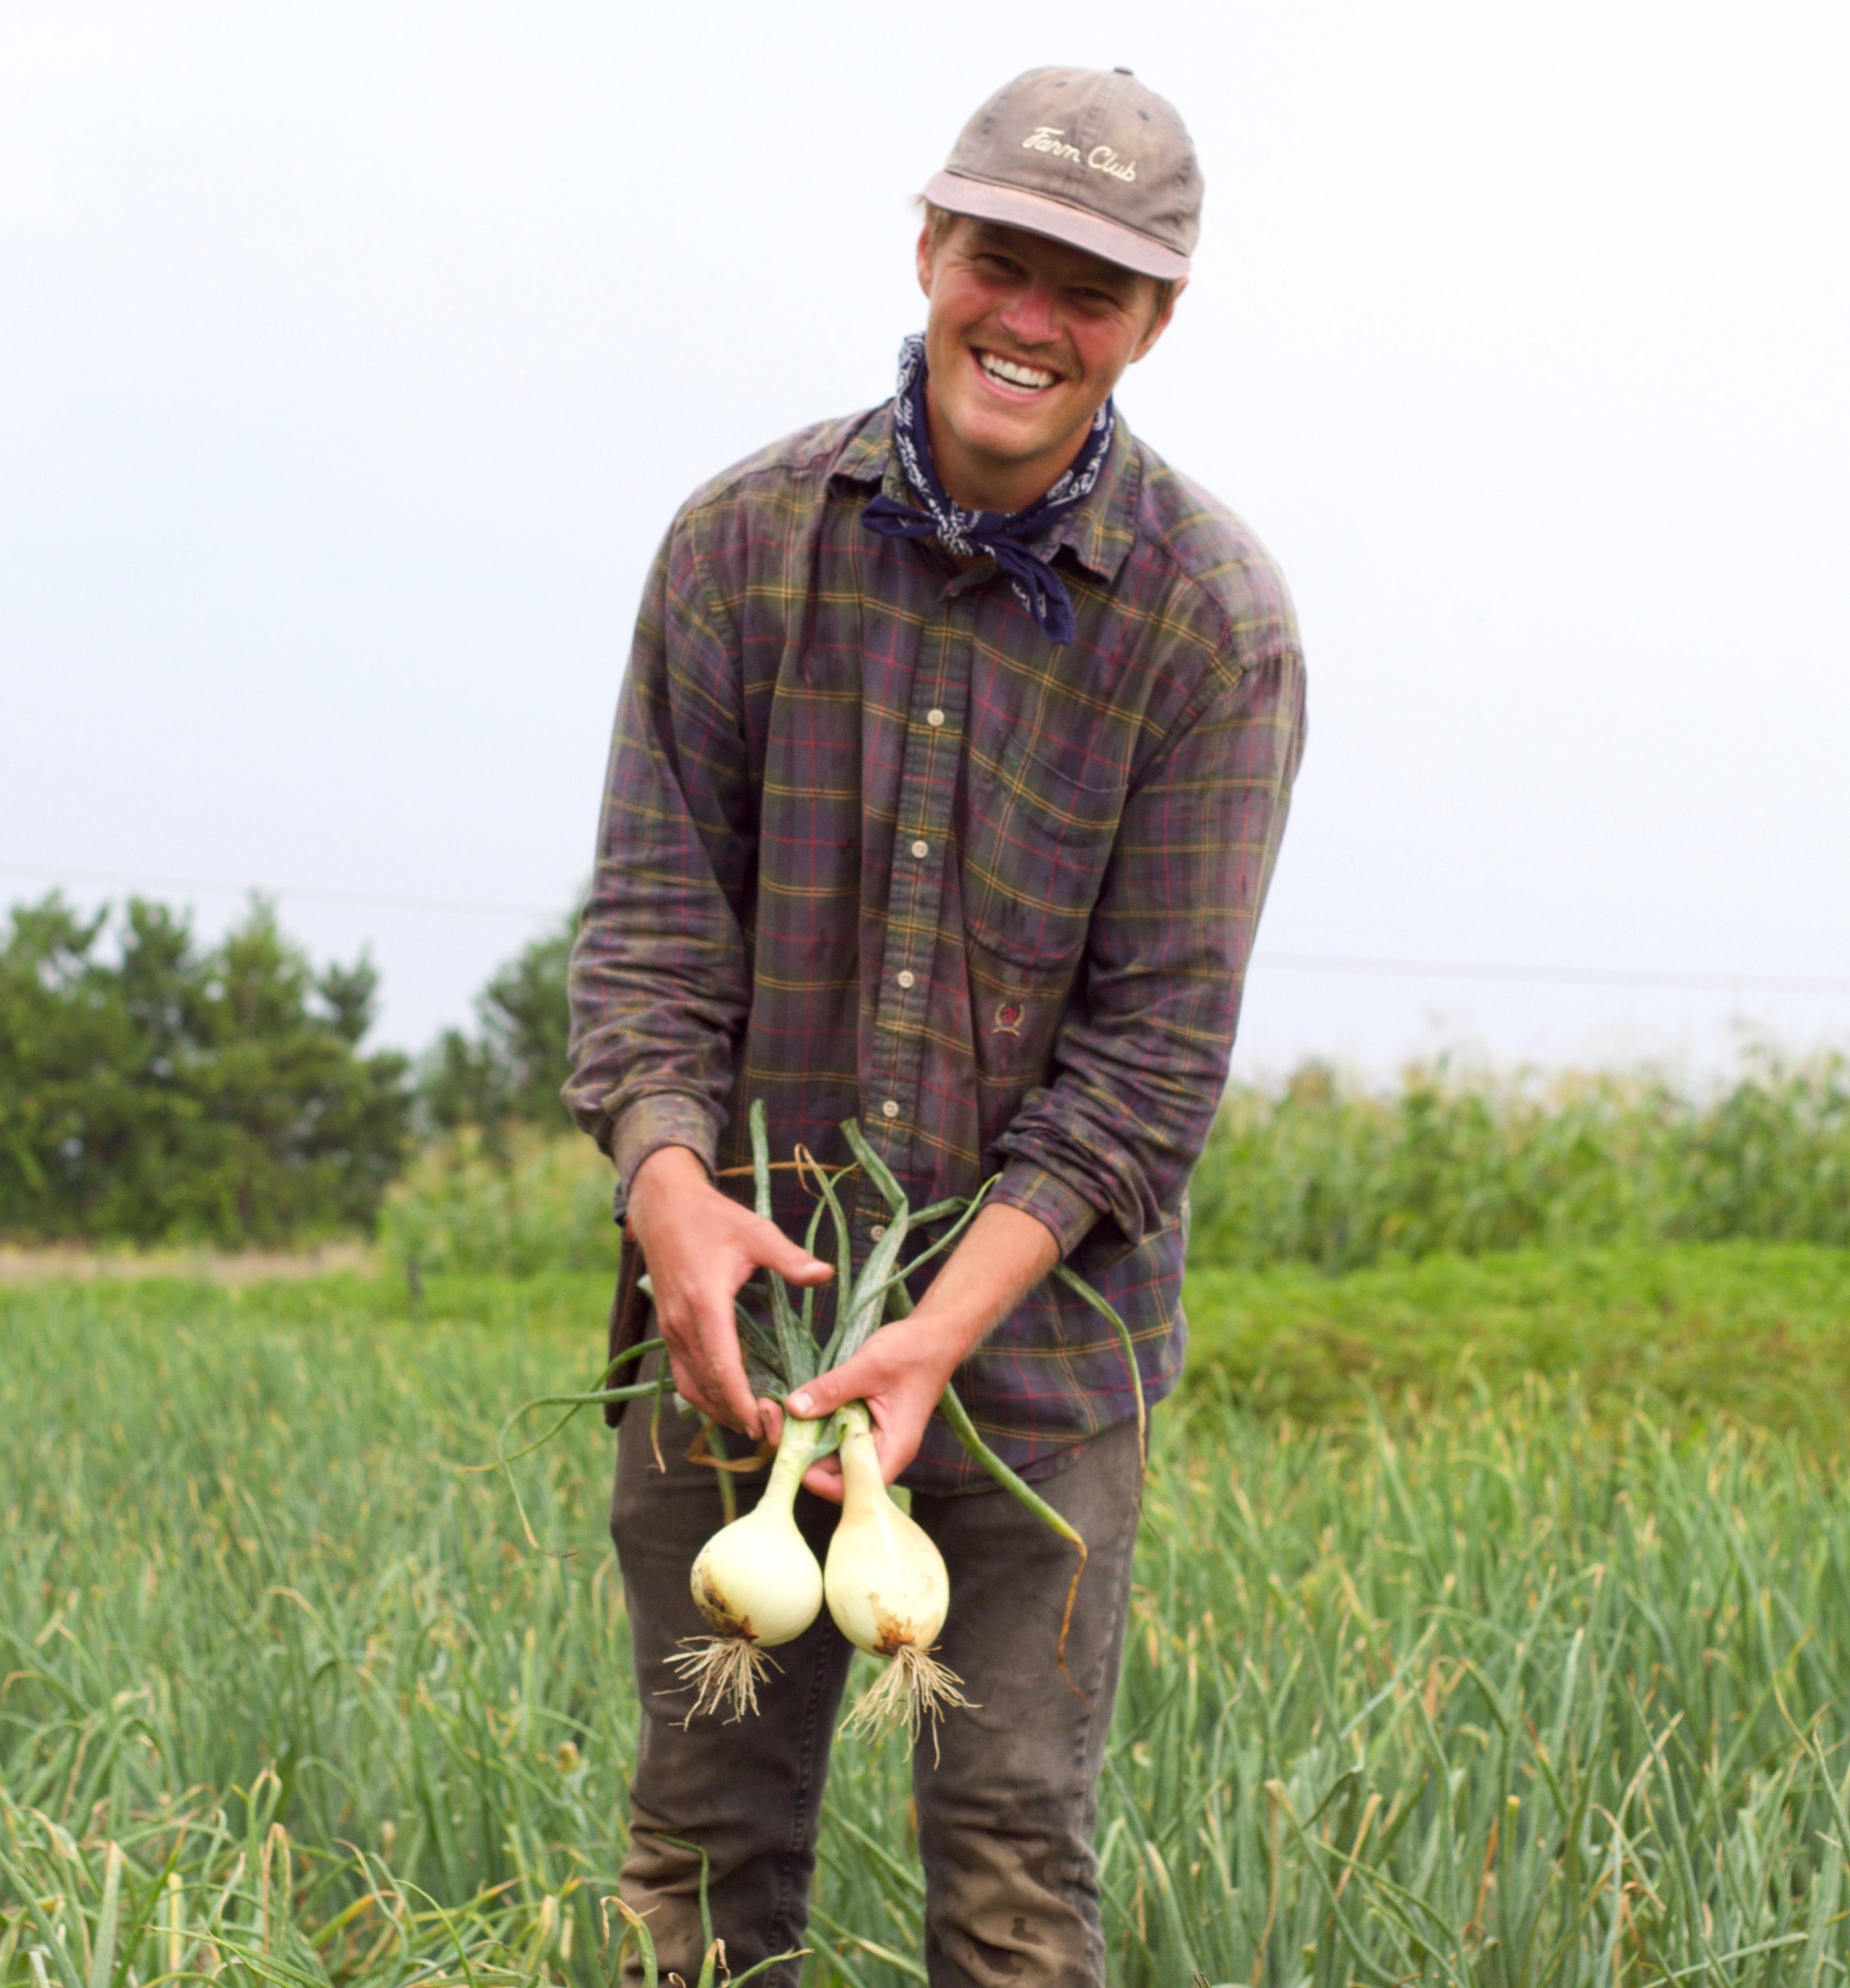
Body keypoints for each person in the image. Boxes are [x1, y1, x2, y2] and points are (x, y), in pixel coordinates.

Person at [564, 63, 1306, 1988]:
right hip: (733, 1345)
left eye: (1093, 286)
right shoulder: (736, 548)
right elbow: (646, 936)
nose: (1031, 318)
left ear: (1154, 322)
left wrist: (936, 1326)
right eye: (1002, 257)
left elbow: (1147, 1067)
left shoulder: (1209, 626)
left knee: (1006, 1877)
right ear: (927, 246)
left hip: (1040, 1381)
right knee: (703, 1859)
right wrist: (668, 1194)